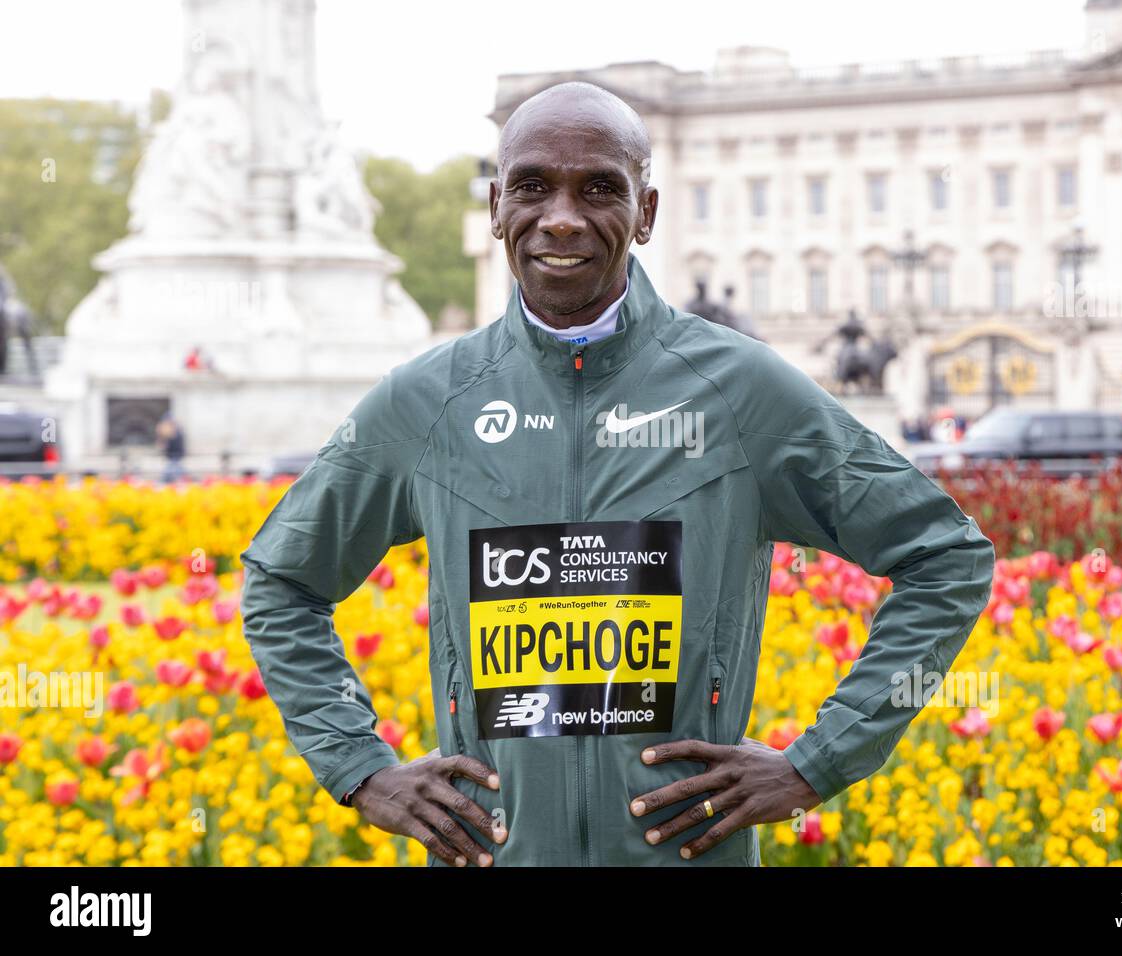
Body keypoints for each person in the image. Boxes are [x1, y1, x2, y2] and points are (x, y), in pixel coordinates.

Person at [239, 81, 995, 868]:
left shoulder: (741, 391)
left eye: (599, 188)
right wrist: (362, 771)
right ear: (497, 206)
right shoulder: (428, 400)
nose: (561, 218)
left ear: (647, 212)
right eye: (532, 186)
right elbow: (281, 581)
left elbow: (945, 558)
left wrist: (816, 763)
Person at [155, 413, 186, 483]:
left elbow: (176, 445)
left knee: (171, 475)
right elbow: (162, 447)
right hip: (171, 458)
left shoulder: (176, 431)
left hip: (175, 457)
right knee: (172, 475)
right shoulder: (172, 431)